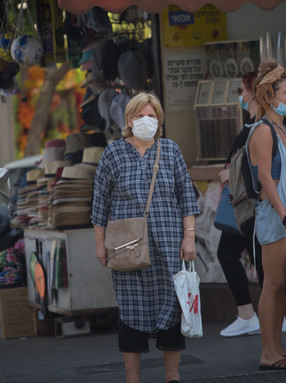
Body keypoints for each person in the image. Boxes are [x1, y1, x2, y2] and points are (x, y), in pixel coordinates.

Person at [92, 92, 199, 383]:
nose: (146, 121)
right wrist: (100, 244)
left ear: (160, 120)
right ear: (129, 120)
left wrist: (189, 238)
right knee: (130, 307)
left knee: (172, 306)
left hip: (168, 244)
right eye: (140, 116)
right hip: (126, 247)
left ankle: (172, 377)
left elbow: (186, 196)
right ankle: (133, 379)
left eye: (152, 116)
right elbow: (99, 201)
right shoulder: (113, 153)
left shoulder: (171, 150)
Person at [216, 71, 286, 337]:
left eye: (241, 89)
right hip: (261, 204)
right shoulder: (265, 125)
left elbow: (259, 168)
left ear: (251, 92)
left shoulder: (257, 127)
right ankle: (269, 316)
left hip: (253, 203)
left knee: (228, 253)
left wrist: (231, 173)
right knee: (259, 256)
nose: (240, 95)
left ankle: (251, 314)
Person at [248, 59, 286, 370]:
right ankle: (267, 353)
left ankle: (277, 348)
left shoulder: (283, 130)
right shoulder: (263, 131)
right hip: (274, 220)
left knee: (284, 285)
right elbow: (265, 180)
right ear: (269, 96)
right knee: (272, 285)